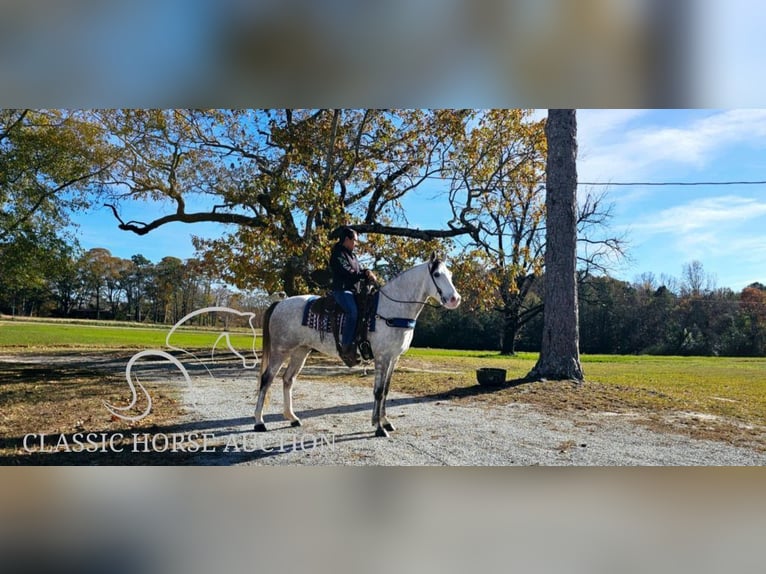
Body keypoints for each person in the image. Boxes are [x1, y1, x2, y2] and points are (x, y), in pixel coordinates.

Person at [329, 227, 377, 365]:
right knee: (353, 312)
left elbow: (358, 270)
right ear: (347, 239)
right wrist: (364, 274)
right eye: (354, 241)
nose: (356, 244)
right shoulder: (337, 254)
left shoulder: (353, 256)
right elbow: (348, 272)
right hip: (342, 290)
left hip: (354, 291)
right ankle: (346, 346)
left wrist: (366, 271)